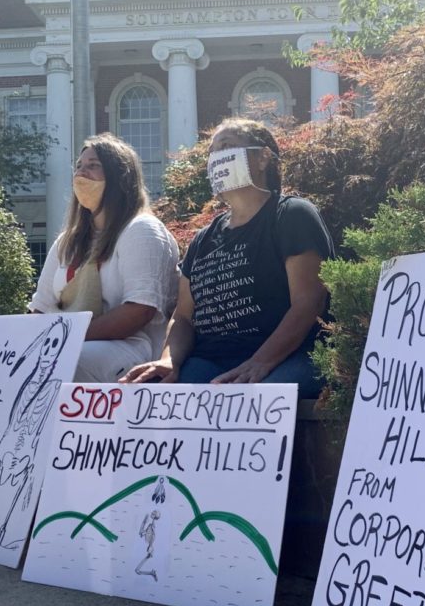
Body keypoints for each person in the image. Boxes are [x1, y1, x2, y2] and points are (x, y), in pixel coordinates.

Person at [122, 118, 333, 397]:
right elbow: (184, 317)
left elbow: (309, 302)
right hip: (210, 361)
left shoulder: (292, 215)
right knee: (154, 395)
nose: (216, 157)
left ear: (262, 158)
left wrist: (261, 361)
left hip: (288, 356)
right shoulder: (202, 239)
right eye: (212, 151)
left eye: (227, 146)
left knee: (259, 404)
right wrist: (169, 360)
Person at [30, 132, 179, 382]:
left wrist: (62, 337)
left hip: (132, 347)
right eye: (78, 166)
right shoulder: (66, 241)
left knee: (61, 363)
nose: (81, 173)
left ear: (120, 177)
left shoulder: (141, 229)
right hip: (61, 344)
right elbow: (41, 308)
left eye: (93, 166)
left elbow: (139, 311)